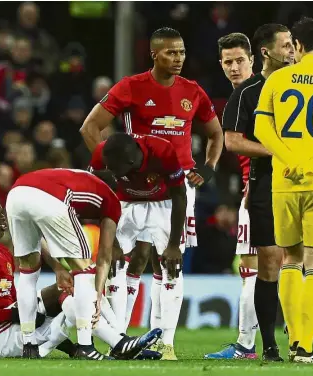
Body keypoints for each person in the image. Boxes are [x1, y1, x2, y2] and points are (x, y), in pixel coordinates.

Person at [80, 27, 223, 359]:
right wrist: (110, 166)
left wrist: (209, 167)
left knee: (168, 262)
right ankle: (119, 338)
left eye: (182, 52)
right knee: (118, 259)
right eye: (171, 53)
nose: (178, 59)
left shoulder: (193, 91)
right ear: (154, 54)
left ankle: (166, 342)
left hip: (176, 187)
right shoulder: (131, 86)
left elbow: (216, 134)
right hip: (132, 188)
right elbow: (90, 127)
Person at [0, 196, 163, 359]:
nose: (2, 218)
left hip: (13, 325)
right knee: (71, 291)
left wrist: (68, 348)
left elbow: (15, 303)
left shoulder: (4, 253)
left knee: (75, 287)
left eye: (2, 212)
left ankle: (116, 343)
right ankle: (120, 343)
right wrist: (15, 316)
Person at [254, 17, 313, 363]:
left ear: (297, 45)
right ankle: (305, 349)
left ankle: (295, 341)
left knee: (290, 260)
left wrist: (289, 158)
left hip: (284, 181)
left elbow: (262, 127)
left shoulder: (277, 79)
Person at [88, 133, 186, 359]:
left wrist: (173, 244)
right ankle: (119, 339)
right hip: (123, 203)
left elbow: (180, 195)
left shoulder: (163, 152)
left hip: (163, 203)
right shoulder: (103, 153)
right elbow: (96, 194)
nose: (111, 172)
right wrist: (110, 243)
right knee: (114, 264)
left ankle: (167, 344)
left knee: (172, 266)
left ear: (131, 163)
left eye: (115, 169)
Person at [5, 168, 121, 359]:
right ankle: (85, 346)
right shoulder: (111, 198)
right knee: (84, 268)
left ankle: (29, 344)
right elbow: (105, 257)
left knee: (28, 270)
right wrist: (97, 295)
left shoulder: (73, 177)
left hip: (16, 192)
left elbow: (45, 227)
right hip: (51, 199)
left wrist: (59, 266)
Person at [204, 33, 258, 360]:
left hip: (261, 191)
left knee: (252, 268)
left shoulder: (252, 95)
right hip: (266, 187)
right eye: (228, 62)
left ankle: (245, 346)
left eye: (239, 60)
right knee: (277, 267)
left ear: (253, 59)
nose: (234, 67)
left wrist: (254, 183)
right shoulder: (245, 95)